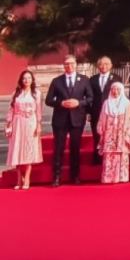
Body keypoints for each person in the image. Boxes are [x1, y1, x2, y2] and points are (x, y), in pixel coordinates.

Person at [46, 55, 93, 187]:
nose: (69, 66)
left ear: (76, 64)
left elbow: (90, 98)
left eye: (71, 64)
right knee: (58, 149)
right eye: (66, 64)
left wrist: (78, 102)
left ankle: (75, 176)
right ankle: (56, 177)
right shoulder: (57, 81)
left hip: (77, 119)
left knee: (75, 148)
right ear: (63, 66)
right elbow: (48, 100)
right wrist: (61, 103)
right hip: (60, 120)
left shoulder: (84, 80)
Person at [5, 71, 43, 190]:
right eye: (24, 78)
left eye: (29, 78)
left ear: (32, 80)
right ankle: (18, 178)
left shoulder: (36, 93)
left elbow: (38, 110)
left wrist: (38, 124)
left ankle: (27, 178)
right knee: (17, 149)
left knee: (28, 150)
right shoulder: (16, 93)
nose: (27, 80)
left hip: (30, 122)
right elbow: (11, 109)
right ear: (21, 80)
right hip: (18, 122)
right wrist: (8, 122)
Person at [96, 82, 130, 184]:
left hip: (122, 133)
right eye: (113, 89)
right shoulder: (106, 103)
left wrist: (128, 133)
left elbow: (129, 119)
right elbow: (102, 117)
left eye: (118, 89)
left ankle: (122, 177)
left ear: (121, 91)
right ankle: (108, 177)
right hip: (109, 133)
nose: (115, 91)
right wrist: (101, 129)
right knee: (109, 155)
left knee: (121, 154)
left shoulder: (127, 103)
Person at [88, 56, 121, 166]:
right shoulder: (92, 80)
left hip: (112, 112)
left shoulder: (116, 78)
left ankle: (110, 159)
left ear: (111, 66)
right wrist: (88, 112)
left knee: (111, 135)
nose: (104, 66)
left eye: (106, 64)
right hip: (96, 111)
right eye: (101, 64)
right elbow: (89, 97)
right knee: (97, 134)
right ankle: (97, 158)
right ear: (98, 66)